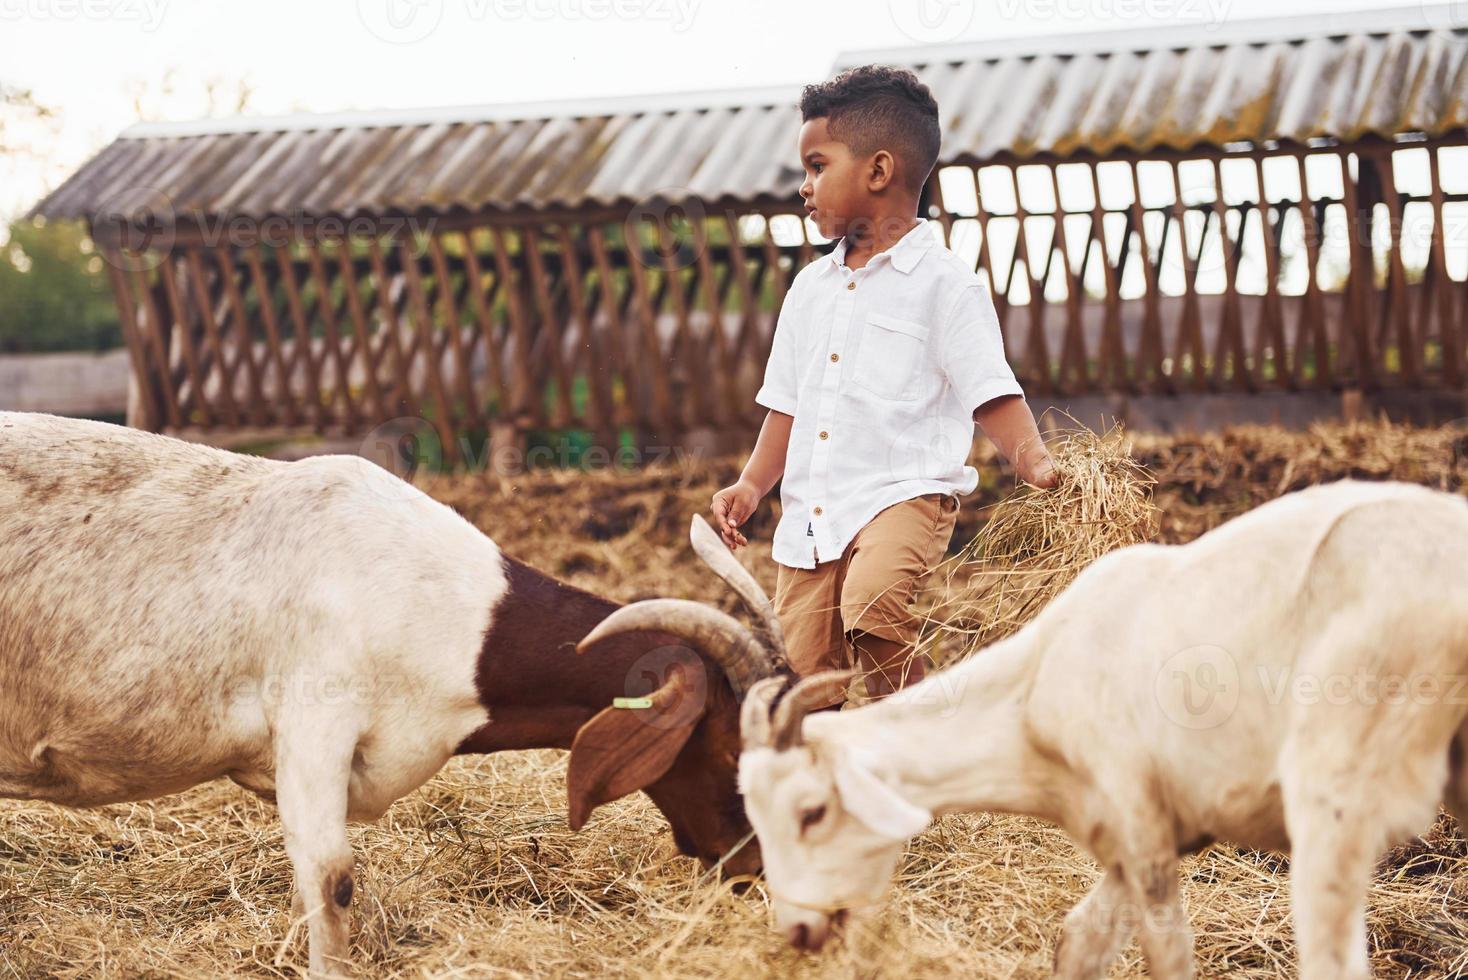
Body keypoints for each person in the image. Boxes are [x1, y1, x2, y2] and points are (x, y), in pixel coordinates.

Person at [710, 64, 1058, 702]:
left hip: (902, 497)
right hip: (812, 520)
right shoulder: (809, 290)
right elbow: (786, 405)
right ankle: (826, 779)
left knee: (873, 609)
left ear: (877, 171)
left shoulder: (946, 284)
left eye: (817, 167)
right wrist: (752, 485)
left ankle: (910, 740)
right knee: (799, 677)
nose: (805, 187)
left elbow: (991, 390)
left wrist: (1035, 463)